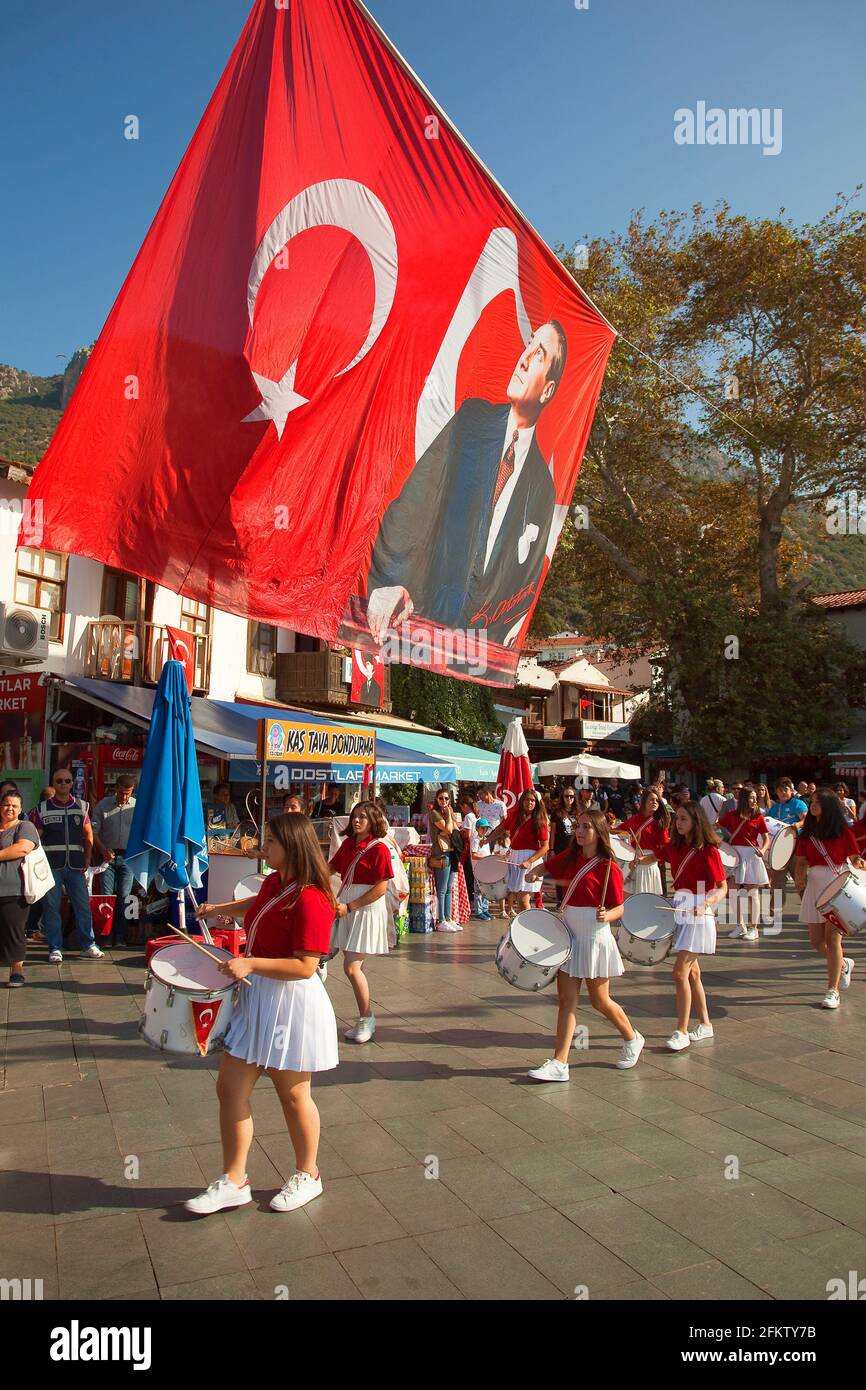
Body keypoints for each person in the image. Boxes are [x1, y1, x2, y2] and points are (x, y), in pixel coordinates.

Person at [366, 323, 567, 649]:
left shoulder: (542, 487)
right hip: (420, 621)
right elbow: (415, 502)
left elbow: (521, 579)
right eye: (527, 346)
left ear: (547, 391)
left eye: (538, 355)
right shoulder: (472, 420)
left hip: (478, 648)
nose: (524, 359)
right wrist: (393, 581)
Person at [187, 813, 338, 1215]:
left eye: (270, 841)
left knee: (293, 1095)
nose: (262, 847)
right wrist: (220, 908)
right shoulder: (276, 881)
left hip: (291, 1002)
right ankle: (234, 1180)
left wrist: (250, 964)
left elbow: (306, 965)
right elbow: (258, 903)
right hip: (258, 999)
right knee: (230, 1090)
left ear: (292, 845)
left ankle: (309, 1174)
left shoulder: (312, 897)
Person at [525, 808, 643, 1080]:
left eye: (586, 827)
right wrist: (535, 871)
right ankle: (560, 1063)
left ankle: (632, 1037)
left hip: (593, 934)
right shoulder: (571, 856)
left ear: (598, 832)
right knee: (566, 1000)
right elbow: (548, 865)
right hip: (569, 931)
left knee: (600, 1001)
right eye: (578, 826)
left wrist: (607, 914)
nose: (579, 831)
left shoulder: (608, 867)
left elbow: (619, 908)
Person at [656, 801, 728, 1051]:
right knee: (693, 973)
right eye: (678, 818)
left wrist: (705, 904)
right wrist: (635, 859)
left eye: (684, 819)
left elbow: (722, 887)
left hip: (699, 911)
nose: (679, 822)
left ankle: (682, 1030)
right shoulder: (675, 847)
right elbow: (653, 856)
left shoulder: (709, 851)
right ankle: (705, 1024)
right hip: (681, 907)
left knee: (679, 972)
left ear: (696, 821)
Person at [793, 789, 864, 1010]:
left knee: (833, 940)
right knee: (816, 941)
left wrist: (860, 866)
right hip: (815, 887)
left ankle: (832, 990)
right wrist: (799, 880)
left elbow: (854, 858)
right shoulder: (806, 833)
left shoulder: (843, 831)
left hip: (839, 888)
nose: (813, 805)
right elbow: (801, 861)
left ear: (829, 806)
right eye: (812, 802)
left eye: (818, 802)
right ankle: (843, 963)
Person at [329, 800, 393, 1041]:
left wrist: (351, 906)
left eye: (362, 817)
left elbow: (381, 888)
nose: (356, 821)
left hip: (363, 908)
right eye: (354, 816)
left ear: (373, 821)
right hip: (347, 904)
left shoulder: (379, 849)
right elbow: (331, 868)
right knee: (355, 965)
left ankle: (367, 1018)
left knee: (351, 967)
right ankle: (365, 1017)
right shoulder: (348, 844)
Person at [31, 769, 104, 963]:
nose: (63, 784)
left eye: (67, 781)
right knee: (51, 907)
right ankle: (55, 947)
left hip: (76, 865)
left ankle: (88, 944)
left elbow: (88, 834)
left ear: (72, 783)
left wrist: (88, 858)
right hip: (51, 866)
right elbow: (35, 838)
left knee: (82, 906)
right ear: (53, 784)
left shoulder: (82, 806)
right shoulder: (42, 808)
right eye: (59, 781)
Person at [485, 788, 549, 916]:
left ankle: (528, 928)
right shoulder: (514, 815)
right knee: (519, 900)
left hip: (530, 860)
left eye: (532, 800)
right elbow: (501, 829)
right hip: (515, 857)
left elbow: (545, 847)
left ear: (536, 803)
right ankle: (525, 926)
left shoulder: (540, 820)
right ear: (522, 801)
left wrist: (529, 861)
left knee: (523, 899)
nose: (529, 802)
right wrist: (487, 840)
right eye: (527, 799)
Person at [719, 787, 770, 941]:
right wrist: (720, 844)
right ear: (743, 800)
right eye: (752, 798)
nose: (755, 801)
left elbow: (766, 838)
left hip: (751, 856)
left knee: (752, 893)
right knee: (732, 892)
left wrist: (763, 849)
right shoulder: (731, 815)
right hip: (734, 856)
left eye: (756, 798)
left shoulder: (759, 817)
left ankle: (753, 928)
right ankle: (739, 925)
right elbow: (716, 826)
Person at [91, 774, 137, 947]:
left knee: (124, 897)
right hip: (107, 858)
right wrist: (103, 850)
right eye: (122, 792)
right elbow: (93, 831)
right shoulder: (103, 805)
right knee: (106, 896)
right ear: (116, 788)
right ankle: (105, 935)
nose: (125, 797)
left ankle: (120, 936)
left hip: (128, 857)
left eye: (128, 793)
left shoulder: (136, 806)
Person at [0, 791, 40, 987]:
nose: (10, 808)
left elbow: (23, 848)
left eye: (14, 806)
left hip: (14, 890)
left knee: (14, 930)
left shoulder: (25, 826)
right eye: (6, 804)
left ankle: (16, 971)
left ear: (20, 809)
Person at [618, 787, 671, 896]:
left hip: (649, 863)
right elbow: (619, 830)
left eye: (657, 800)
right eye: (651, 800)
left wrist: (653, 859)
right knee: (628, 900)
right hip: (633, 862)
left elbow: (665, 847)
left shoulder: (660, 822)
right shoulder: (635, 819)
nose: (655, 802)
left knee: (645, 899)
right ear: (644, 801)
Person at [427, 788, 464, 931]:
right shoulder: (434, 813)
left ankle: (448, 918)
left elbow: (454, 829)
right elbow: (449, 830)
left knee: (449, 888)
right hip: (441, 852)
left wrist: (448, 822)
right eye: (441, 798)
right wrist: (449, 816)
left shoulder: (448, 814)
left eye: (447, 798)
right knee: (441, 889)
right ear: (436, 800)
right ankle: (441, 920)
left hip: (452, 852)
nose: (444, 801)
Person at [469, 816, 493, 920]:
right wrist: (487, 858)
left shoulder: (486, 840)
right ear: (477, 828)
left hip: (486, 869)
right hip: (478, 869)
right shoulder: (475, 840)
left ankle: (485, 909)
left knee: (486, 890)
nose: (485, 830)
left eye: (486, 828)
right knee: (479, 890)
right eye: (482, 828)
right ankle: (478, 911)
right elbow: (474, 855)